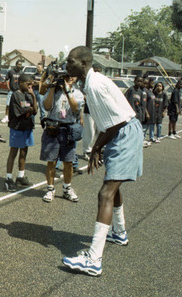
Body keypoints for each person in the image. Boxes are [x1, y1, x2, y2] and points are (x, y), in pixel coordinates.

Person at [62, 46, 143, 276]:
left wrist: (97, 146)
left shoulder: (95, 85)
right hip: (121, 132)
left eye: (71, 62)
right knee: (113, 185)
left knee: (105, 193)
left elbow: (116, 122)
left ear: (84, 63)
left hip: (124, 132)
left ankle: (94, 259)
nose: (67, 65)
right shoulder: (90, 81)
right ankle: (119, 232)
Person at [40, 75, 83, 203]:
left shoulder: (78, 93)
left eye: (72, 76)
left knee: (68, 162)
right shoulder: (54, 91)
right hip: (53, 128)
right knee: (51, 161)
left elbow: (75, 108)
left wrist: (68, 90)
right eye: (66, 76)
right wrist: (53, 87)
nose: (70, 78)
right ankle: (50, 188)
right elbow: (47, 107)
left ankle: (67, 188)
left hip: (68, 129)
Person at [4, 74, 37, 192]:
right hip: (17, 128)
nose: (30, 87)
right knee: (13, 153)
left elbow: (35, 110)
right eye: (28, 84)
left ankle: (20, 176)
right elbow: (21, 111)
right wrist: (30, 109)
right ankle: (8, 178)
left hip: (27, 127)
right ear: (21, 82)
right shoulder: (15, 95)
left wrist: (33, 96)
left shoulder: (29, 95)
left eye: (31, 84)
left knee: (24, 152)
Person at [1, 59, 22, 123]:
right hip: (12, 91)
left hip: (18, 92)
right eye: (18, 64)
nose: (19, 66)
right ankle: (6, 117)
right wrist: (8, 87)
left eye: (20, 65)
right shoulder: (11, 71)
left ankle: (16, 117)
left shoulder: (21, 72)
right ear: (16, 65)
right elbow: (6, 79)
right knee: (8, 105)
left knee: (19, 105)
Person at [141, 78, 154, 147]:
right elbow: (144, 103)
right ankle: (142, 140)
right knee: (144, 127)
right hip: (146, 113)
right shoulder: (144, 91)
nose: (145, 85)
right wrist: (146, 113)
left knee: (146, 128)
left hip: (151, 112)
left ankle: (144, 139)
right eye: (145, 83)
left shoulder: (149, 91)